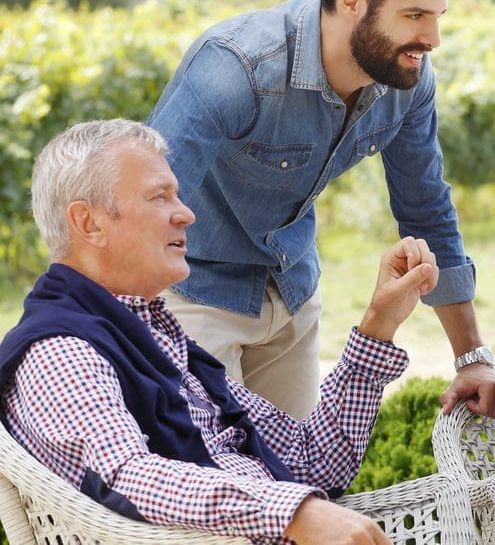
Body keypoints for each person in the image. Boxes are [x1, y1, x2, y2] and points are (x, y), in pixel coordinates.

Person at [146, 0, 495, 421]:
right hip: (192, 293)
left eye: (437, 15)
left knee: (295, 481)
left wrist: (470, 357)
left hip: (292, 292)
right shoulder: (237, 69)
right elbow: (145, 204)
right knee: (218, 483)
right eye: (414, 15)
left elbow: (426, 209)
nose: (432, 39)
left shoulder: (406, 81)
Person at [0, 119, 438, 544]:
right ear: (90, 223)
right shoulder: (60, 350)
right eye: (160, 197)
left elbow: (312, 462)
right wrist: (293, 513)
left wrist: (380, 322)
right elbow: (128, 475)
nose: (186, 214)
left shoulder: (156, 340)